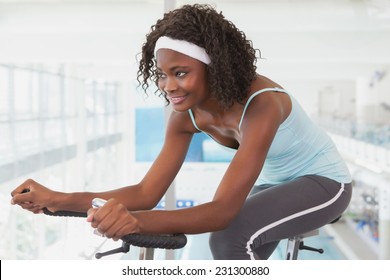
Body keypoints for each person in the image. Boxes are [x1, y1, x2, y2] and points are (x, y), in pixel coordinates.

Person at [10, 4, 352, 260]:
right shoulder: (184, 115)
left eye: (181, 73)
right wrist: (57, 198)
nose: (168, 85)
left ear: (214, 66)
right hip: (276, 183)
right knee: (231, 246)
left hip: (325, 182)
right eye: (162, 74)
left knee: (228, 235)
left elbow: (221, 211)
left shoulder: (263, 105)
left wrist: (137, 222)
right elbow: (146, 192)